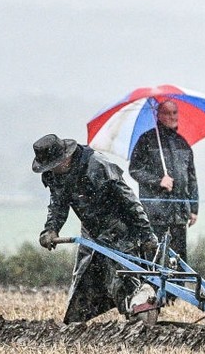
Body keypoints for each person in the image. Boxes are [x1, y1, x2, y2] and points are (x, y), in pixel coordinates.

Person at [33, 134, 159, 324]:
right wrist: (51, 229)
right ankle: (76, 327)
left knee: (125, 280)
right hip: (91, 233)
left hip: (120, 229)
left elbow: (129, 200)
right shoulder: (54, 175)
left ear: (65, 157)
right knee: (84, 282)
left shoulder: (97, 165)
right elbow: (58, 205)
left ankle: (140, 322)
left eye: (53, 165)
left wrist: (146, 233)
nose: (51, 170)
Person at [128, 99, 199, 261]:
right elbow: (135, 169)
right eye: (167, 113)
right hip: (155, 212)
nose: (173, 117)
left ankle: (179, 286)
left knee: (178, 259)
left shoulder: (183, 144)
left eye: (175, 112)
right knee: (154, 256)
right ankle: (152, 286)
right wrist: (158, 181)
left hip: (179, 212)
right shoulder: (146, 140)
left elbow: (192, 178)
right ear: (157, 115)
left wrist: (194, 208)